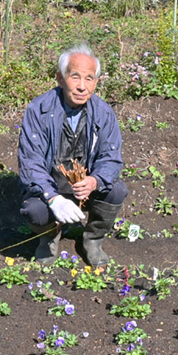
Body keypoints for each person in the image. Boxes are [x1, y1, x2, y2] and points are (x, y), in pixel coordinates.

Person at [17, 43, 126, 266]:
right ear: (59, 78)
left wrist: (95, 181)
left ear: (96, 82)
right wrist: (52, 197)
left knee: (116, 190)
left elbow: (111, 158)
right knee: (34, 209)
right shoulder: (38, 110)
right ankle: (49, 237)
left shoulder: (103, 113)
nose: (82, 86)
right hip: (51, 188)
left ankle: (93, 240)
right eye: (75, 77)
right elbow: (31, 163)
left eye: (89, 79)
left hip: (85, 189)